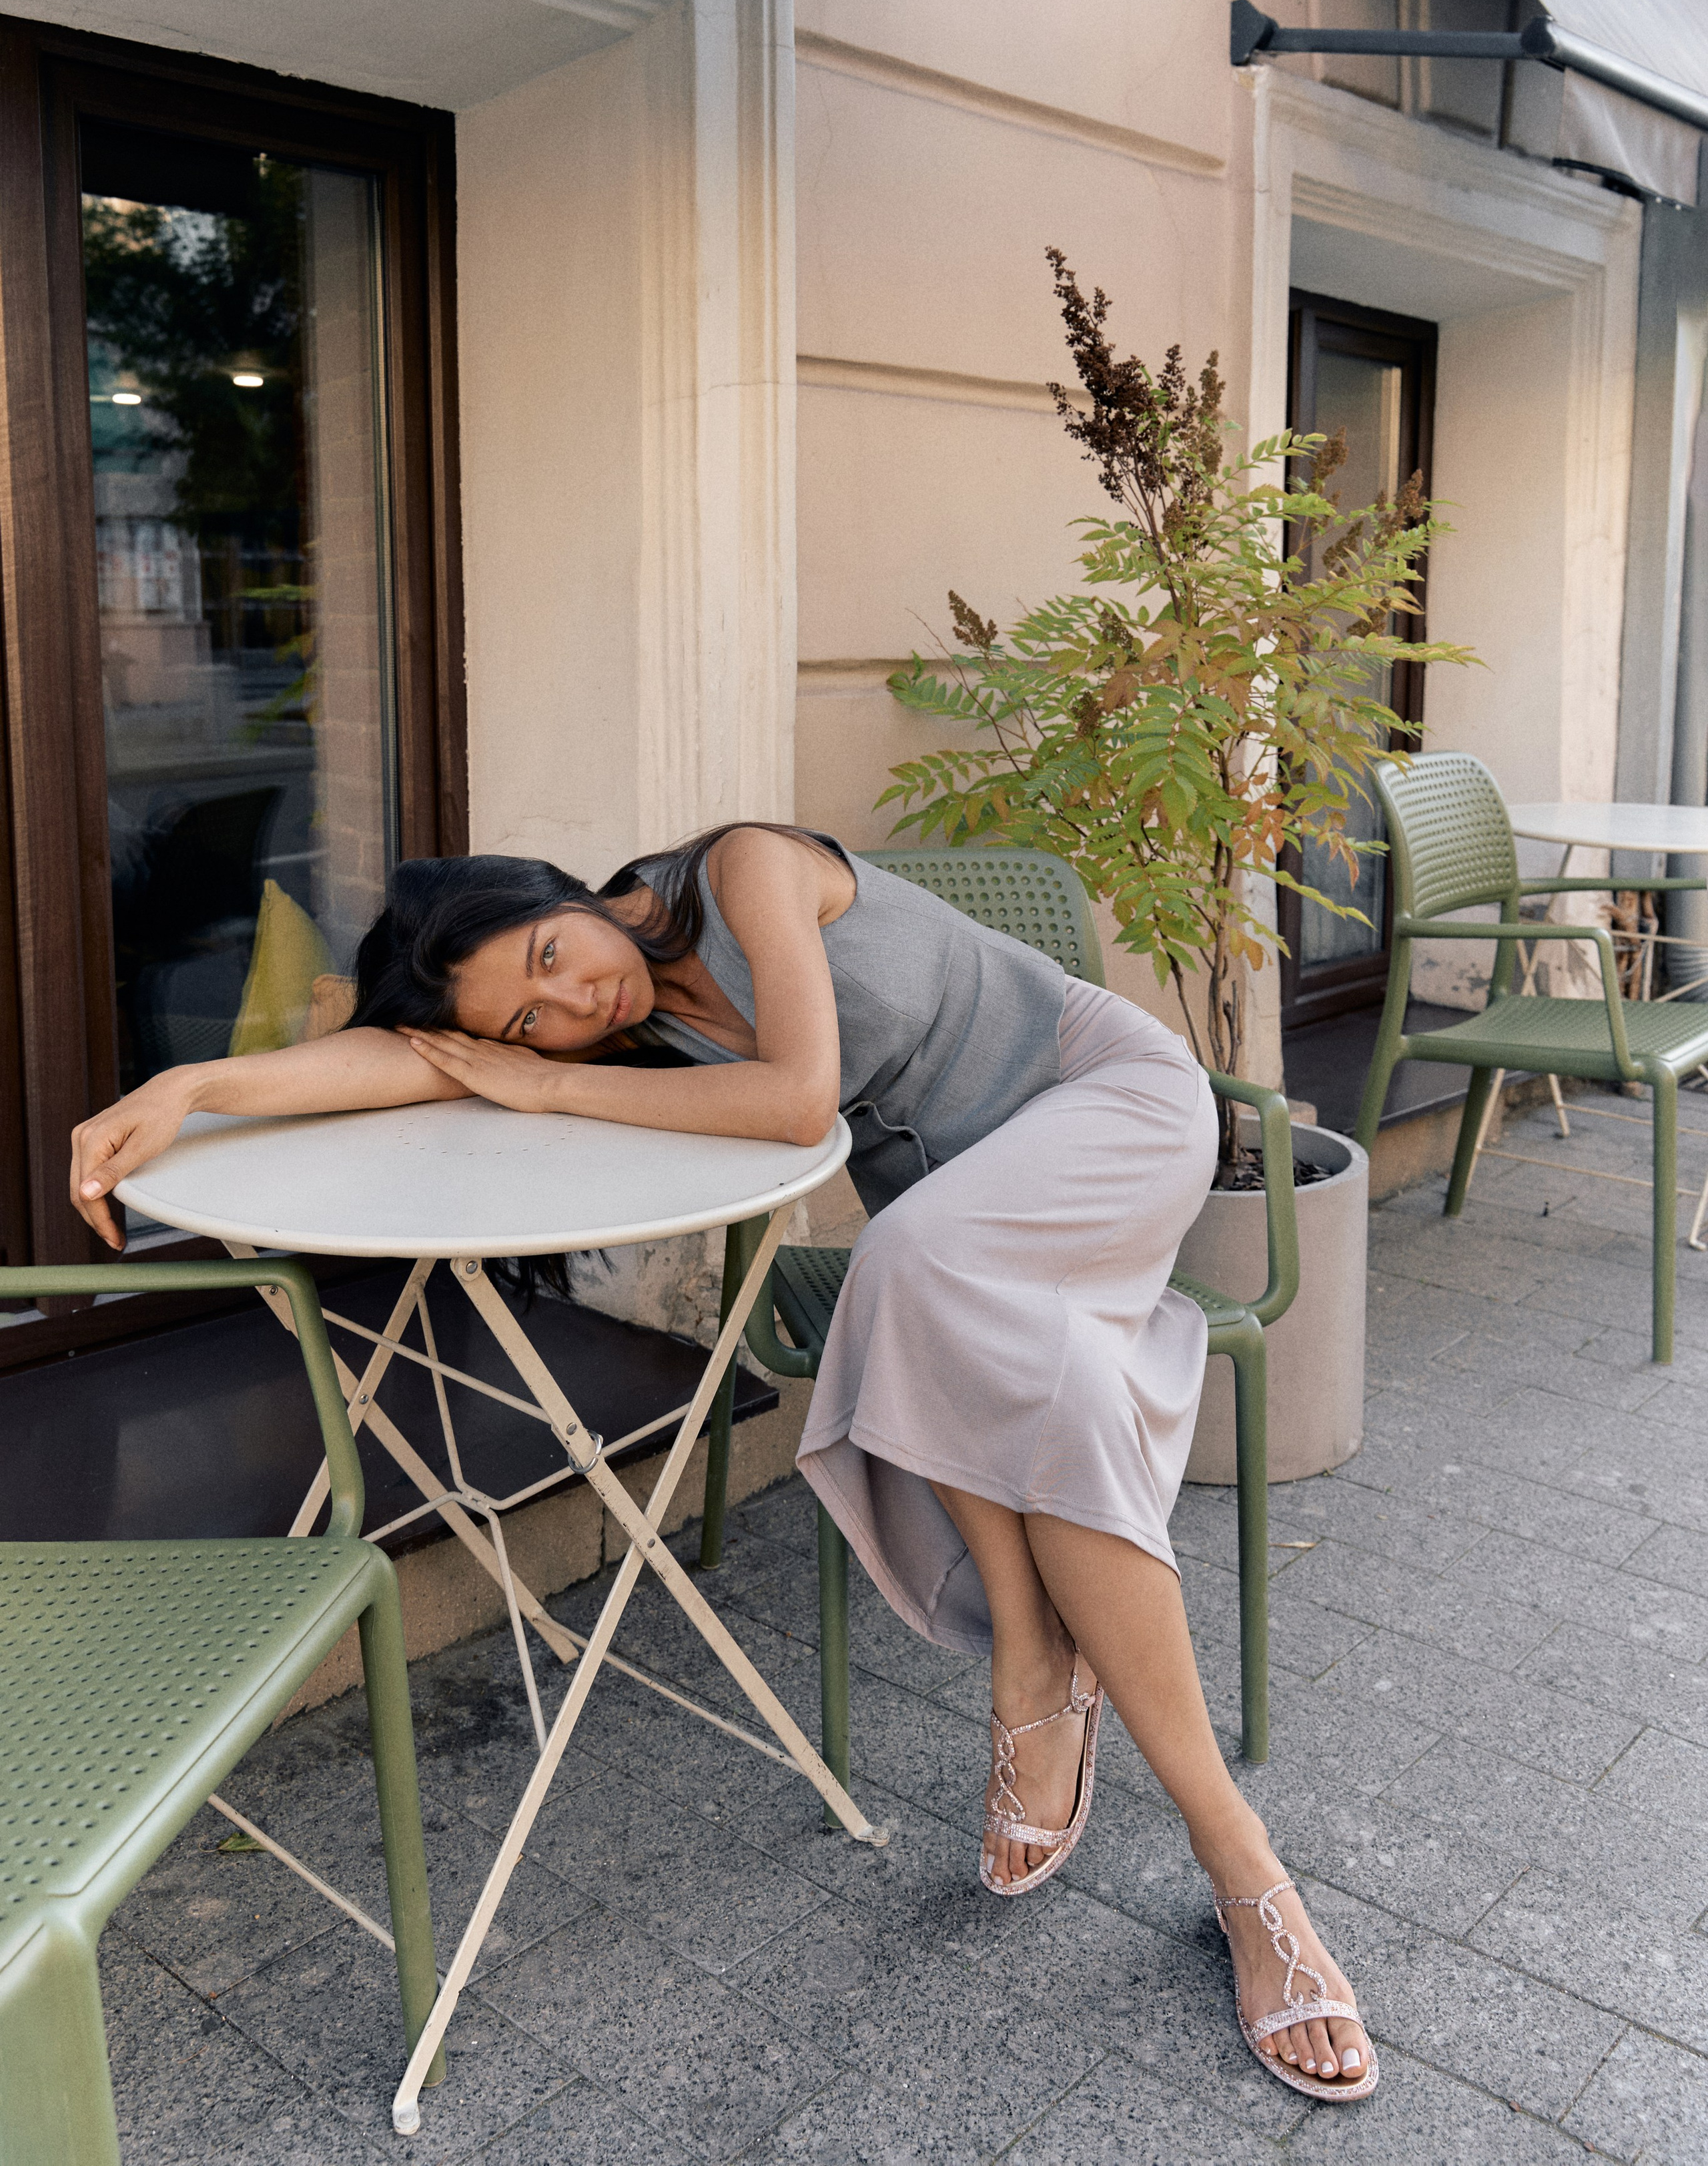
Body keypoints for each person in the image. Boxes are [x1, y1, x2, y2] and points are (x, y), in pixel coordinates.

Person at [71, 821, 1374, 2100]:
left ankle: (1059, 1686)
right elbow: (395, 1057)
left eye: (546, 954)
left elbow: (798, 1099)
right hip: (964, 1229)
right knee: (1030, 1377)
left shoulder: (744, 868)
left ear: (562, 890)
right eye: (530, 1023)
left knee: (913, 1265)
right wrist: (183, 1088)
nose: (573, 1000)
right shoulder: (622, 1035)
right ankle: (1234, 1863)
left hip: (1106, 1104)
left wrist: (549, 1080)